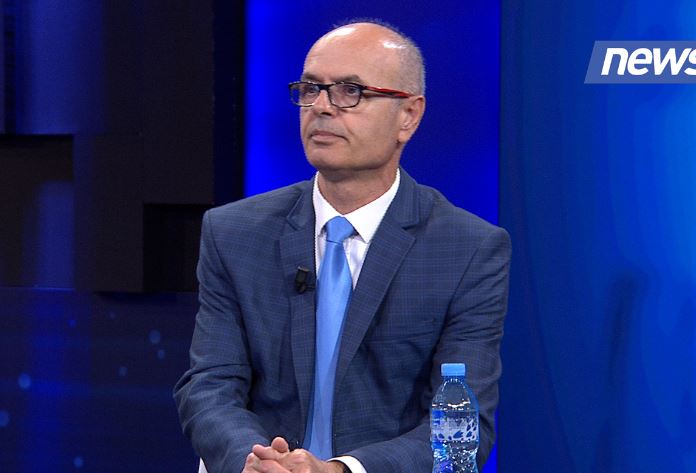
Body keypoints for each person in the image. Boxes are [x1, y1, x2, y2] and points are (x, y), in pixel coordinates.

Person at [174, 20, 511, 473]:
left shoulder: (467, 250)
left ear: (409, 116)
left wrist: (339, 470)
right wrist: (254, 462)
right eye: (311, 89)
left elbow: (461, 431)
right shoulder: (234, 232)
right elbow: (209, 386)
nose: (321, 107)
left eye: (350, 91)